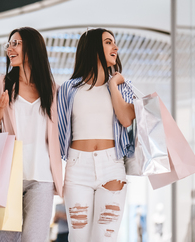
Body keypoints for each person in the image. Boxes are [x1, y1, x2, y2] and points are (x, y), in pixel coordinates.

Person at [0, 27, 63, 242]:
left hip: (42, 177)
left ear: (32, 47)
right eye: (8, 44)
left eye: (16, 43)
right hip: (8, 176)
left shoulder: (52, 90)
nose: (10, 48)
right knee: (5, 239)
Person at [58, 28, 135, 241]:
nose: (115, 47)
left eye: (114, 42)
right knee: (78, 236)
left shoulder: (121, 87)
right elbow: (58, 132)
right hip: (77, 168)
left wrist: (112, 84)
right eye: (109, 42)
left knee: (105, 237)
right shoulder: (68, 89)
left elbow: (126, 119)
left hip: (111, 167)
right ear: (93, 48)